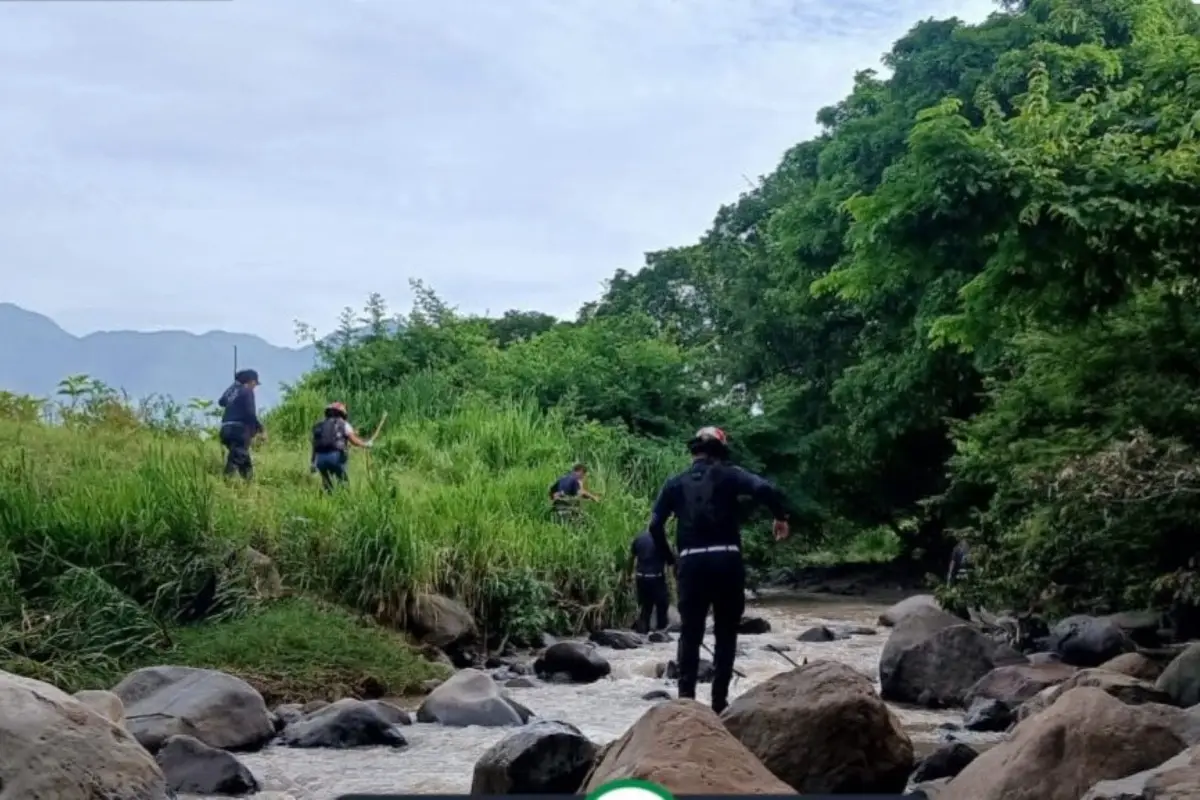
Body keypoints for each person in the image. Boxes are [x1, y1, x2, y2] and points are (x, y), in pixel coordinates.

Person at [647, 426, 790, 714]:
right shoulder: (730, 474)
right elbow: (764, 488)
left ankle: (686, 703)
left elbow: (654, 526)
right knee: (726, 632)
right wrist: (781, 517)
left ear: (694, 451)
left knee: (691, 632)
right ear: (721, 450)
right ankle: (719, 704)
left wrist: (671, 560)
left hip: (692, 561)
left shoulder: (674, 484)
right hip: (727, 560)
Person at [310, 402, 373, 491]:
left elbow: (315, 446)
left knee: (327, 484)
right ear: (342, 413)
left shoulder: (319, 426)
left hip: (320, 459)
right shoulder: (344, 424)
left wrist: (313, 463)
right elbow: (354, 441)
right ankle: (344, 500)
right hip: (336, 458)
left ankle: (328, 501)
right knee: (343, 482)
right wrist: (366, 444)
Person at [217, 369, 264, 480]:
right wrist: (260, 429)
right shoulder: (247, 392)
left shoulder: (234, 392)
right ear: (251, 381)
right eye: (255, 383)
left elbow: (221, 402)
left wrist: (233, 386)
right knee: (236, 458)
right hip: (239, 431)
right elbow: (250, 413)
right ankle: (226, 481)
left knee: (243, 459)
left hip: (225, 430)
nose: (255, 387)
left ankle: (248, 483)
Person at [629, 529, 670, 633]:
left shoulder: (639, 538)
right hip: (656, 578)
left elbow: (631, 558)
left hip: (641, 578)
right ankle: (661, 632)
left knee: (646, 607)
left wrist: (629, 575)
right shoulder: (661, 541)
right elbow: (670, 561)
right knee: (662, 605)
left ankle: (643, 633)